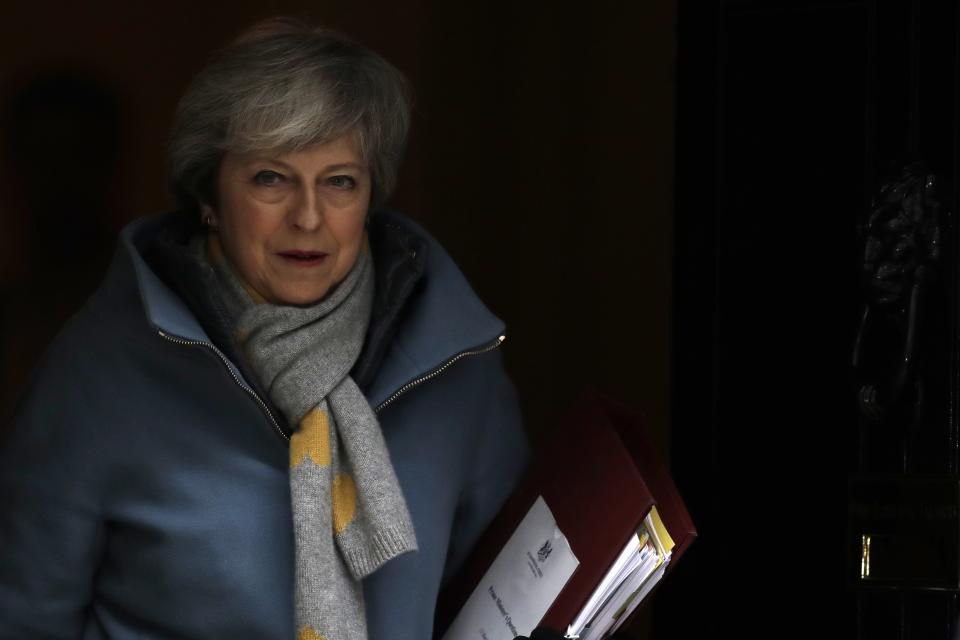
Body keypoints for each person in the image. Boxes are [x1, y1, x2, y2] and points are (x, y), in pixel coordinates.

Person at [0, 18, 530, 640]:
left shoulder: (456, 371)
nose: (308, 217)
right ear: (209, 195)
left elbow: (511, 601)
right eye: (271, 178)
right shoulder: (98, 374)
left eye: (339, 182)